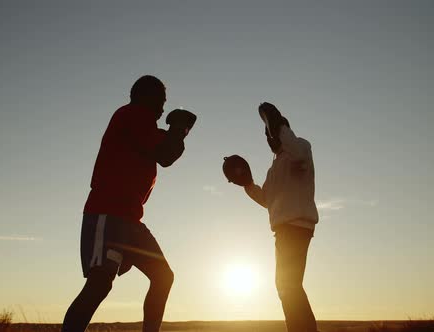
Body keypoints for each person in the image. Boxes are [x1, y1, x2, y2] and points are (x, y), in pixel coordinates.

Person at [61, 75, 196, 332]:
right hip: (108, 213)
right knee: (100, 283)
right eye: (161, 102)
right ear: (146, 97)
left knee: (162, 276)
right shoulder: (132, 115)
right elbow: (166, 155)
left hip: (130, 220)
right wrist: (179, 129)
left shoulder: (143, 124)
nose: (162, 109)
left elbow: (167, 150)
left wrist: (180, 131)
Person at [222, 102, 319, 332]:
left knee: (289, 285)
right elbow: (268, 200)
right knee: (286, 286)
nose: (269, 138)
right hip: (283, 230)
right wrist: (247, 184)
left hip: (296, 227)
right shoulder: (274, 167)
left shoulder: (299, 148)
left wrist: (278, 124)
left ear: (279, 131)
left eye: (271, 133)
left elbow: (297, 151)